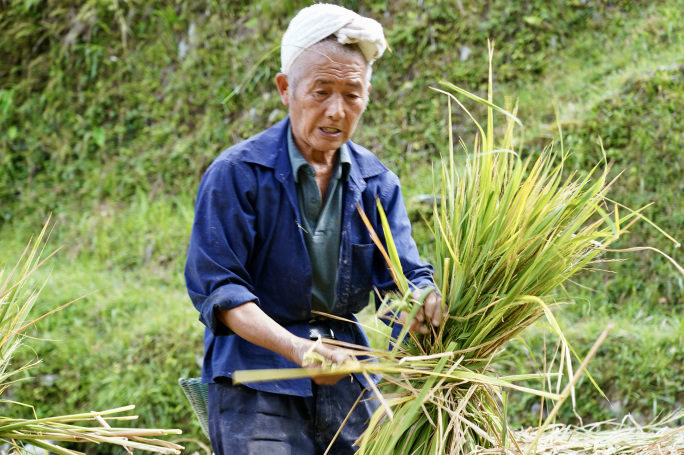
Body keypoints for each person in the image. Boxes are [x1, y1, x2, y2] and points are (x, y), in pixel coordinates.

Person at [184, 4, 442, 454]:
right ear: (286, 89)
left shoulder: (377, 184)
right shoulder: (238, 174)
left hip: (348, 379)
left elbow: (401, 283)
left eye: (352, 94)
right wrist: (298, 349)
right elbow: (219, 291)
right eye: (320, 92)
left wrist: (422, 304)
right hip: (254, 381)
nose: (336, 111)